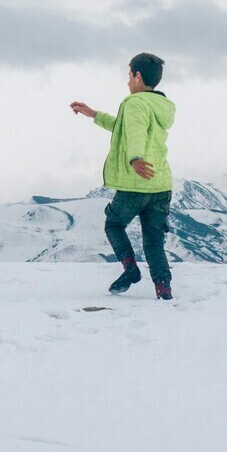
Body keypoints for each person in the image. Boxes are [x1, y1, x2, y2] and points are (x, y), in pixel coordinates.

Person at [70, 53, 176, 300]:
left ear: (138, 76)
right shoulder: (161, 106)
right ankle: (163, 289)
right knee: (153, 241)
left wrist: (135, 158)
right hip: (160, 185)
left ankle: (130, 269)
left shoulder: (135, 103)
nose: (128, 82)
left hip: (135, 183)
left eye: (129, 76)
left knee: (114, 224)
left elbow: (135, 131)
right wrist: (94, 114)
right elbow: (125, 127)